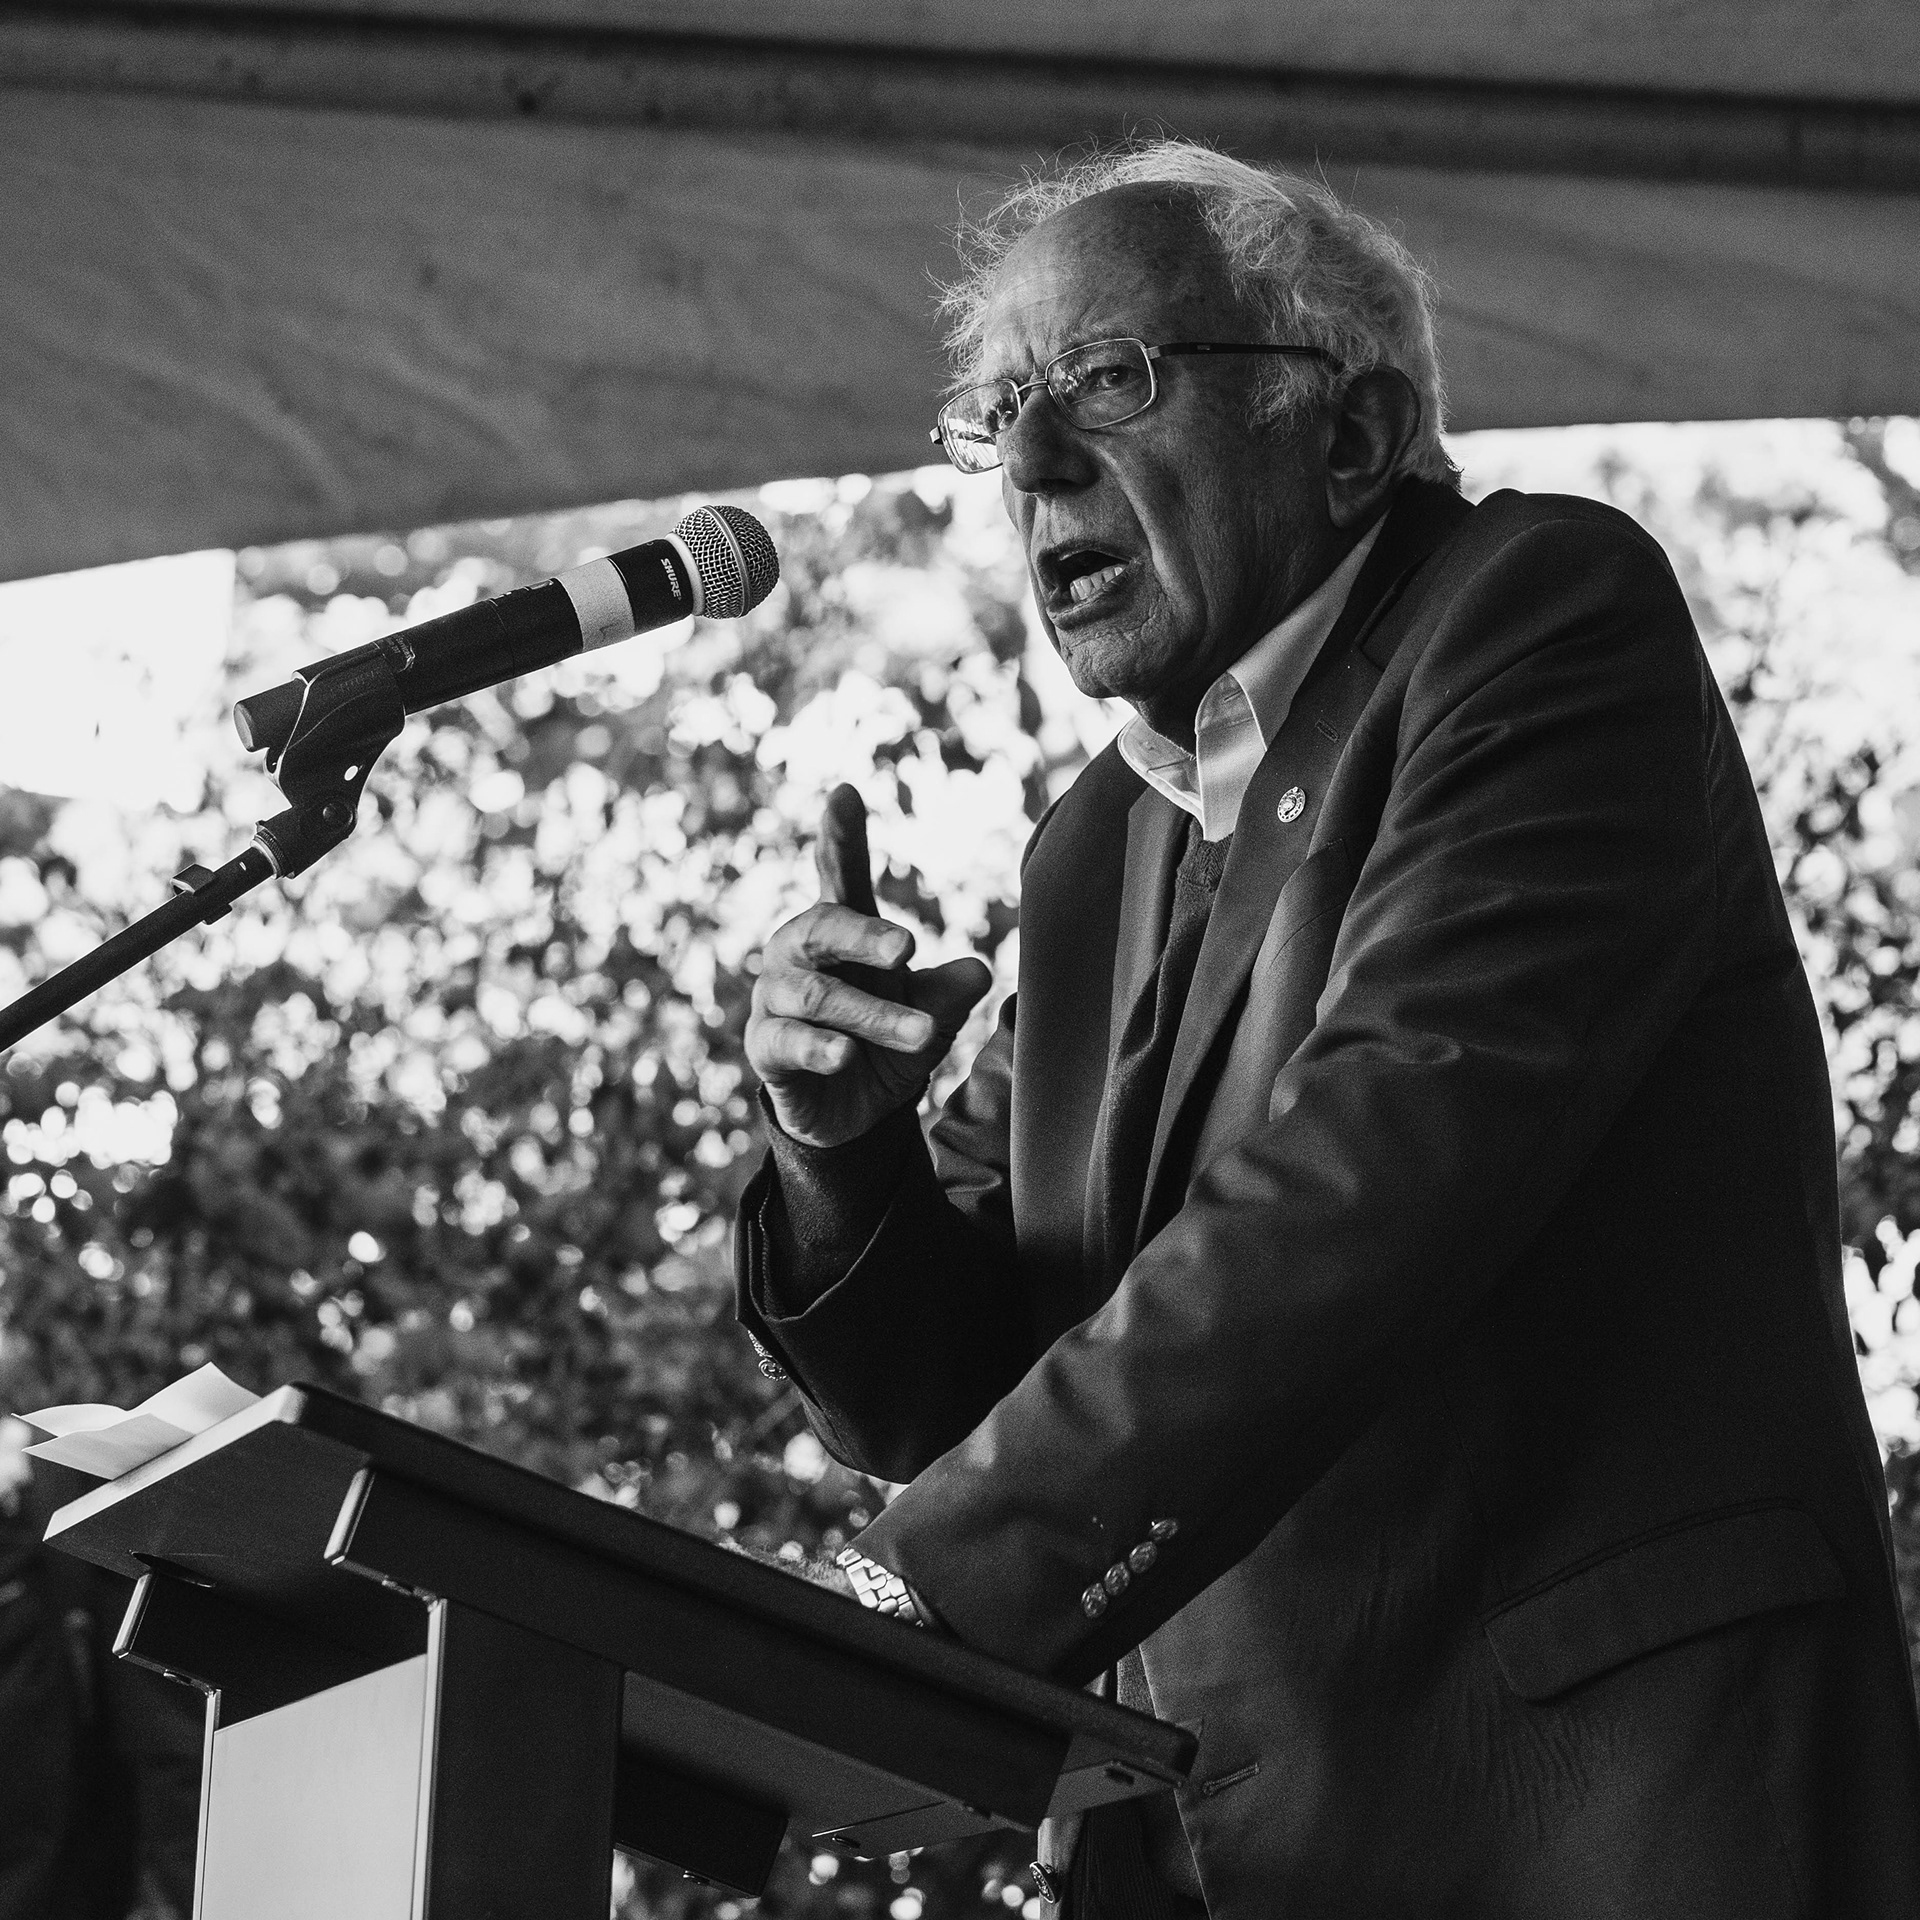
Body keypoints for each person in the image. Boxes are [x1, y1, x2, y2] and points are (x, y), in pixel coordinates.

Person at [734, 140, 1920, 1916]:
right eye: (1000, 416)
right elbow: (948, 1385)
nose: (1035, 464)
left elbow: (1370, 1184)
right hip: (1232, 1858)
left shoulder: (1534, 617)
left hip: (1607, 1823)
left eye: (1110, 383)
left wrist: (897, 1613)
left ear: (1348, 433)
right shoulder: (1095, 851)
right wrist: (840, 1153)